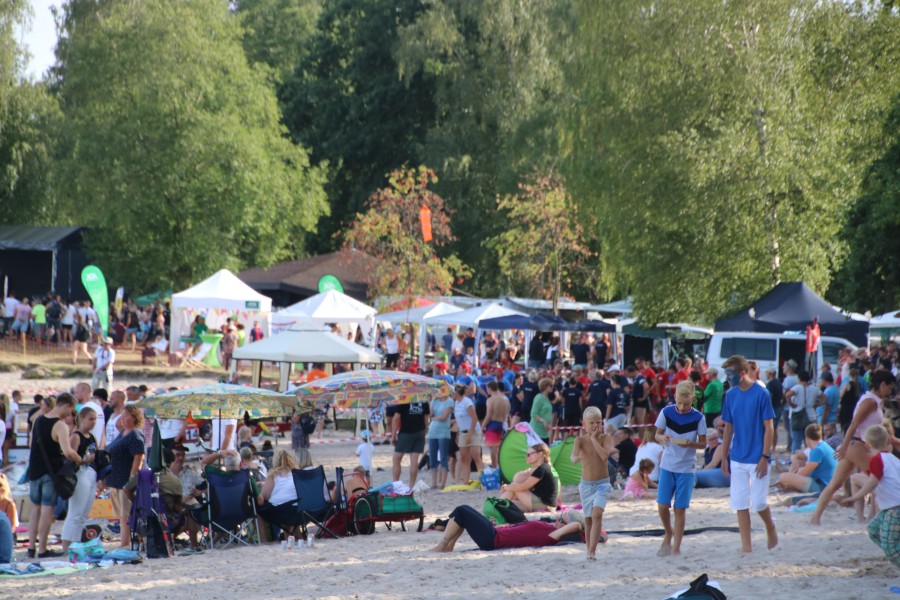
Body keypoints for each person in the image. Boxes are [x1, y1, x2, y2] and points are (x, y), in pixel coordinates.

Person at [810, 369, 898, 526]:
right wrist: (844, 446)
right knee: (878, 479)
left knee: (835, 484)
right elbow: (854, 423)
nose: (890, 391)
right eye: (889, 388)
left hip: (856, 445)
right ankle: (875, 516)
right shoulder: (870, 402)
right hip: (857, 445)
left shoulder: (874, 401)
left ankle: (816, 518)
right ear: (882, 384)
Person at [720, 355, 778, 553]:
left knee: (759, 502)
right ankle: (747, 547)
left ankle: (770, 526)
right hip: (737, 456)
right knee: (740, 503)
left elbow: (769, 428)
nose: (727, 378)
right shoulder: (730, 394)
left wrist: (765, 456)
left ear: (742, 373)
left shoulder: (762, 394)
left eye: (730, 374)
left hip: (758, 456)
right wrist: (724, 457)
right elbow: (728, 427)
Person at [27, 393, 83, 558]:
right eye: (71, 410)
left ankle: (31, 548)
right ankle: (43, 549)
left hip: (34, 470)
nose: (70, 415)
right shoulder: (60, 425)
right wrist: (80, 459)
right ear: (66, 406)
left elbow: (31, 444)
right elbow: (67, 452)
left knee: (35, 509)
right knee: (47, 510)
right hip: (50, 472)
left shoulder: (38, 420)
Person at [654, 380, 707, 556]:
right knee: (662, 505)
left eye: (686, 403)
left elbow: (703, 443)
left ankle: (676, 547)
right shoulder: (666, 412)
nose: (682, 407)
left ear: (692, 400)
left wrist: (690, 444)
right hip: (668, 464)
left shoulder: (699, 417)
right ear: (675, 398)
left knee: (680, 508)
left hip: (686, 467)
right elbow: (656, 434)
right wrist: (663, 438)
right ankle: (668, 532)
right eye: (679, 403)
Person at [836, 424, 900, 569]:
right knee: (873, 530)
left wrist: (854, 497)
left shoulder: (877, 460)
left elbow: (872, 483)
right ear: (889, 441)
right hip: (889, 508)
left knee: (891, 548)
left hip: (894, 509)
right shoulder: (895, 460)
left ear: (867, 445)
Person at [433, 504, 582, 552]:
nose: (557, 520)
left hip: (493, 539)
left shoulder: (552, 536)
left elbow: (576, 525)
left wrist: (580, 525)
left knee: (462, 510)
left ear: (566, 527)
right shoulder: (550, 529)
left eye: (561, 520)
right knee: (463, 514)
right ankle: (448, 547)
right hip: (496, 533)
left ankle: (442, 545)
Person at [570, 407, 611, 560]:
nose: (595, 426)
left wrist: (594, 439)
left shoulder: (605, 437)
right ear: (584, 424)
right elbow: (573, 455)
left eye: (598, 422)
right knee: (588, 519)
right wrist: (574, 458)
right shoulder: (579, 439)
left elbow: (604, 456)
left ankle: (592, 552)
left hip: (602, 483)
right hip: (586, 485)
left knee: (597, 514)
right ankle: (589, 550)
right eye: (591, 423)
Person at [106, 405, 146, 548]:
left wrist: (132, 477)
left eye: (126, 416)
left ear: (135, 418)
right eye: (122, 416)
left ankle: (125, 543)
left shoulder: (135, 434)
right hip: (115, 478)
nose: (123, 419)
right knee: (121, 515)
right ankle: (129, 541)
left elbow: (138, 457)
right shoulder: (123, 431)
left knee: (126, 515)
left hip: (125, 480)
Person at [60, 406, 99, 552]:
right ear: (82, 419)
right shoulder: (76, 436)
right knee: (75, 512)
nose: (93, 422)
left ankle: (75, 544)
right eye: (90, 419)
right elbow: (70, 458)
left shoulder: (92, 437)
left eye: (95, 419)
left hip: (91, 473)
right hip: (79, 474)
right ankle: (66, 546)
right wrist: (86, 460)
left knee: (84, 513)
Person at [775, 423, 837, 494]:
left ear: (807, 438)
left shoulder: (818, 450)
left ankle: (788, 485)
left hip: (822, 485)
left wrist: (794, 473)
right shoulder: (823, 445)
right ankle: (789, 486)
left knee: (783, 477)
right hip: (826, 482)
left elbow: (804, 472)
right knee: (792, 473)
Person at [499, 443, 558, 514]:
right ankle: (498, 507)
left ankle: (496, 506)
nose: (527, 457)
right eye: (526, 455)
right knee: (508, 504)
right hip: (543, 505)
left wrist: (505, 487)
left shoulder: (542, 469)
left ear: (540, 454)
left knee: (515, 486)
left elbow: (522, 487)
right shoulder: (548, 467)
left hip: (545, 507)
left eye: (529, 454)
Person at [256, 448, 300, 536]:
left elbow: (264, 496)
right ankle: (295, 536)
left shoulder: (274, 474)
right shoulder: (298, 473)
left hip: (279, 512)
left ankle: (263, 540)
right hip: (298, 511)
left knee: (258, 508)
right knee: (288, 504)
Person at [391, 398, 430, 487]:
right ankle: (411, 485)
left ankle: (396, 484)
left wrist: (393, 435)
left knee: (396, 459)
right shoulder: (423, 400)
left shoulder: (404, 399)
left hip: (406, 432)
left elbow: (396, 418)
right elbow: (426, 419)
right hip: (420, 431)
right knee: (414, 461)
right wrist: (424, 433)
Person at [453, 384, 484, 485]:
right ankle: (465, 482)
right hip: (463, 432)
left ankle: (483, 481)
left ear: (457, 392)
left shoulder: (467, 402)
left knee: (476, 456)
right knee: (464, 458)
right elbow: (459, 420)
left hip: (473, 431)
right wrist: (458, 434)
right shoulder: (456, 403)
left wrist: (470, 434)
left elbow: (474, 418)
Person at [784, 370, 818, 452]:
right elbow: (824, 397)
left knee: (796, 440)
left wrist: (791, 404)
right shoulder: (814, 388)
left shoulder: (797, 387)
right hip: (810, 415)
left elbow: (787, 395)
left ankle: (795, 459)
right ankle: (809, 457)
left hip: (797, 415)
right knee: (810, 440)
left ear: (799, 378)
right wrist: (817, 404)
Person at [427, 392, 453, 490]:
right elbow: (430, 414)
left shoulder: (449, 401)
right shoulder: (435, 400)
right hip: (432, 431)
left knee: (443, 457)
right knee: (432, 457)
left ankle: (443, 482)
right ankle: (434, 482)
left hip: (443, 432)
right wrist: (431, 401)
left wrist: (433, 418)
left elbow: (443, 417)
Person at [482, 381, 510, 468]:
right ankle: (500, 466)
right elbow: (506, 415)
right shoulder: (504, 400)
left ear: (490, 389)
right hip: (500, 424)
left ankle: (495, 467)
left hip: (492, 424)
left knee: (493, 449)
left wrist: (482, 426)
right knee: (499, 448)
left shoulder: (490, 400)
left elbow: (488, 415)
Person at [530, 378, 554, 445]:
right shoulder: (539, 397)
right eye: (551, 385)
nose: (552, 387)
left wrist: (548, 424)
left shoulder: (546, 398)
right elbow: (533, 414)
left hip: (545, 432)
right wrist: (543, 420)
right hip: (537, 431)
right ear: (545, 386)